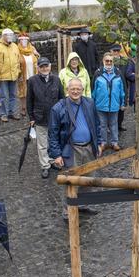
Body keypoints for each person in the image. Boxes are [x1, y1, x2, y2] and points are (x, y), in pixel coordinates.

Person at [48, 78, 101, 220]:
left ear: (82, 90)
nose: (76, 91)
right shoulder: (58, 108)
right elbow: (53, 133)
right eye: (73, 89)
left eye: (78, 89)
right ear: (67, 90)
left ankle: (83, 205)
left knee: (88, 178)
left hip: (89, 147)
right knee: (71, 181)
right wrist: (56, 155)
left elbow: (96, 124)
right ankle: (68, 210)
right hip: (71, 149)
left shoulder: (89, 103)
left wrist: (99, 142)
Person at [26, 57, 64, 178]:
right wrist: (31, 117)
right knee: (42, 144)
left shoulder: (56, 80)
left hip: (54, 117)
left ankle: (52, 161)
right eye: (42, 66)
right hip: (40, 117)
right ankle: (45, 166)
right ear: (38, 68)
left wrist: (62, 115)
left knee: (53, 141)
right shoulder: (32, 81)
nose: (44, 68)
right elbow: (29, 100)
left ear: (50, 66)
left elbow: (62, 99)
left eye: (46, 66)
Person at [92, 53, 126, 153]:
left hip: (114, 105)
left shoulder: (118, 73)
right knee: (102, 125)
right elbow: (93, 89)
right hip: (101, 105)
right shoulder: (98, 73)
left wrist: (122, 102)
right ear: (103, 61)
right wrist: (93, 103)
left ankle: (114, 142)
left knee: (114, 124)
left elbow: (122, 89)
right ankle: (103, 142)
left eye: (111, 61)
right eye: (107, 61)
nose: (109, 63)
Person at [0, 28, 22, 122]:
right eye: (8, 35)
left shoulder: (15, 46)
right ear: (3, 36)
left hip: (13, 75)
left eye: (11, 35)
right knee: (2, 96)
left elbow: (17, 60)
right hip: (2, 76)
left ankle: (11, 112)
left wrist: (18, 72)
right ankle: (2, 114)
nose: (10, 37)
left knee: (13, 95)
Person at [16, 32, 39, 117]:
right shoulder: (17, 49)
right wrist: (18, 74)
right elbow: (15, 62)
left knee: (33, 91)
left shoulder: (32, 48)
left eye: (25, 40)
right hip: (22, 74)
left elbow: (38, 58)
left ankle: (33, 107)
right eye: (22, 40)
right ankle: (23, 108)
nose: (24, 41)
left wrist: (37, 55)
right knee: (23, 92)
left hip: (33, 74)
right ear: (19, 41)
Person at [109, 44, 130, 131]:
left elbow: (128, 73)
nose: (116, 53)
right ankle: (111, 126)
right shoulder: (108, 61)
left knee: (122, 107)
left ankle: (119, 125)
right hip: (111, 87)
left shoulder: (125, 61)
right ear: (111, 51)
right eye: (114, 51)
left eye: (118, 51)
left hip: (122, 86)